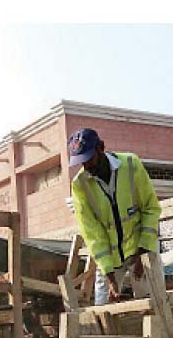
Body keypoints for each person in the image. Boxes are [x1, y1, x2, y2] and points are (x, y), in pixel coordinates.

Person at [68, 128, 161, 306]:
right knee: (103, 309)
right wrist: (111, 279)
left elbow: (151, 208)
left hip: (141, 248)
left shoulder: (131, 164)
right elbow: (93, 234)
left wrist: (142, 254)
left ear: (101, 148)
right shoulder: (80, 185)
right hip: (110, 260)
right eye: (82, 162)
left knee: (154, 304)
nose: (87, 166)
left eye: (89, 159)